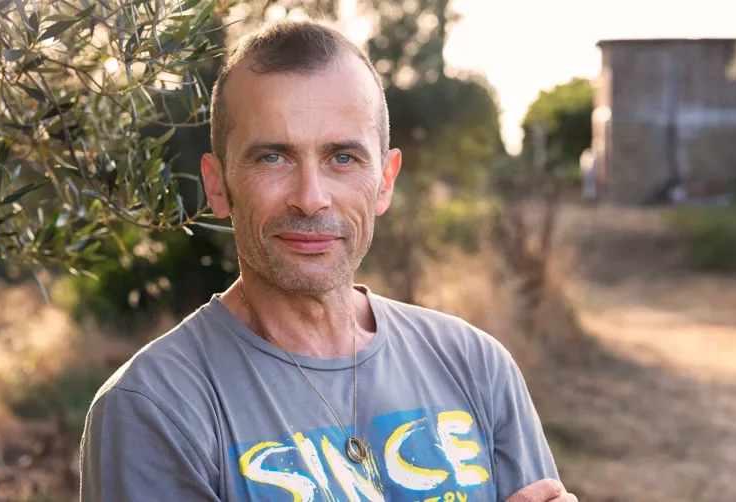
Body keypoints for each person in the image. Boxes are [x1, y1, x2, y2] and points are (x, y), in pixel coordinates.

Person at [79, 18, 577, 502]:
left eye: (343, 157)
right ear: (218, 185)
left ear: (384, 180)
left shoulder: (476, 366)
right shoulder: (154, 407)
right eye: (273, 157)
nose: (311, 198)